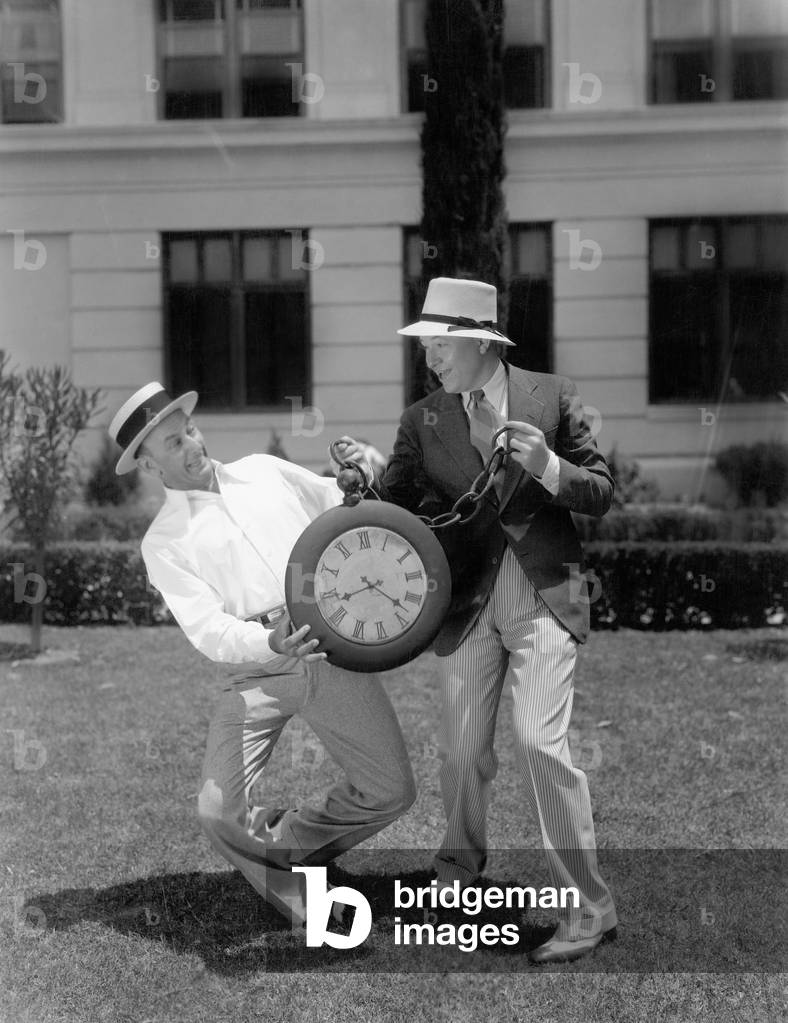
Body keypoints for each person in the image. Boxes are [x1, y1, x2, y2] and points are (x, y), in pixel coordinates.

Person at [339, 277, 617, 963]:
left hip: (544, 595)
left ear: (480, 343)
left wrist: (549, 465)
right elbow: (398, 508)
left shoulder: (553, 396)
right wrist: (365, 480)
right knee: (463, 751)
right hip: (464, 603)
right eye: (429, 348)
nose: (432, 359)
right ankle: (459, 870)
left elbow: (603, 492)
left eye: (440, 345)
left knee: (539, 742)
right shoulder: (422, 419)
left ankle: (590, 906)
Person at [108, 382, 416, 930]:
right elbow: (207, 629)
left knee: (392, 791)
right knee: (216, 810)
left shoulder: (265, 470)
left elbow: (337, 504)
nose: (192, 445)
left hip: (325, 646)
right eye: (174, 444)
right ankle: (299, 900)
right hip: (253, 671)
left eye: (190, 431)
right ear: (151, 467)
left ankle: (287, 842)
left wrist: (354, 474)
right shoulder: (164, 542)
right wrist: (268, 642)